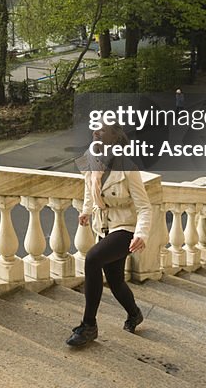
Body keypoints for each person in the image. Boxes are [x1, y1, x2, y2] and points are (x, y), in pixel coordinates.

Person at [67, 125, 151, 347]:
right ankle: (134, 314)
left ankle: (88, 325)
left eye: (102, 130)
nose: (96, 133)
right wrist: (86, 210)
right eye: (95, 129)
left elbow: (144, 207)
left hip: (126, 228)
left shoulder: (128, 168)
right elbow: (89, 187)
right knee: (115, 281)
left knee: (93, 258)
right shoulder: (90, 159)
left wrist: (141, 234)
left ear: (115, 136)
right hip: (102, 227)